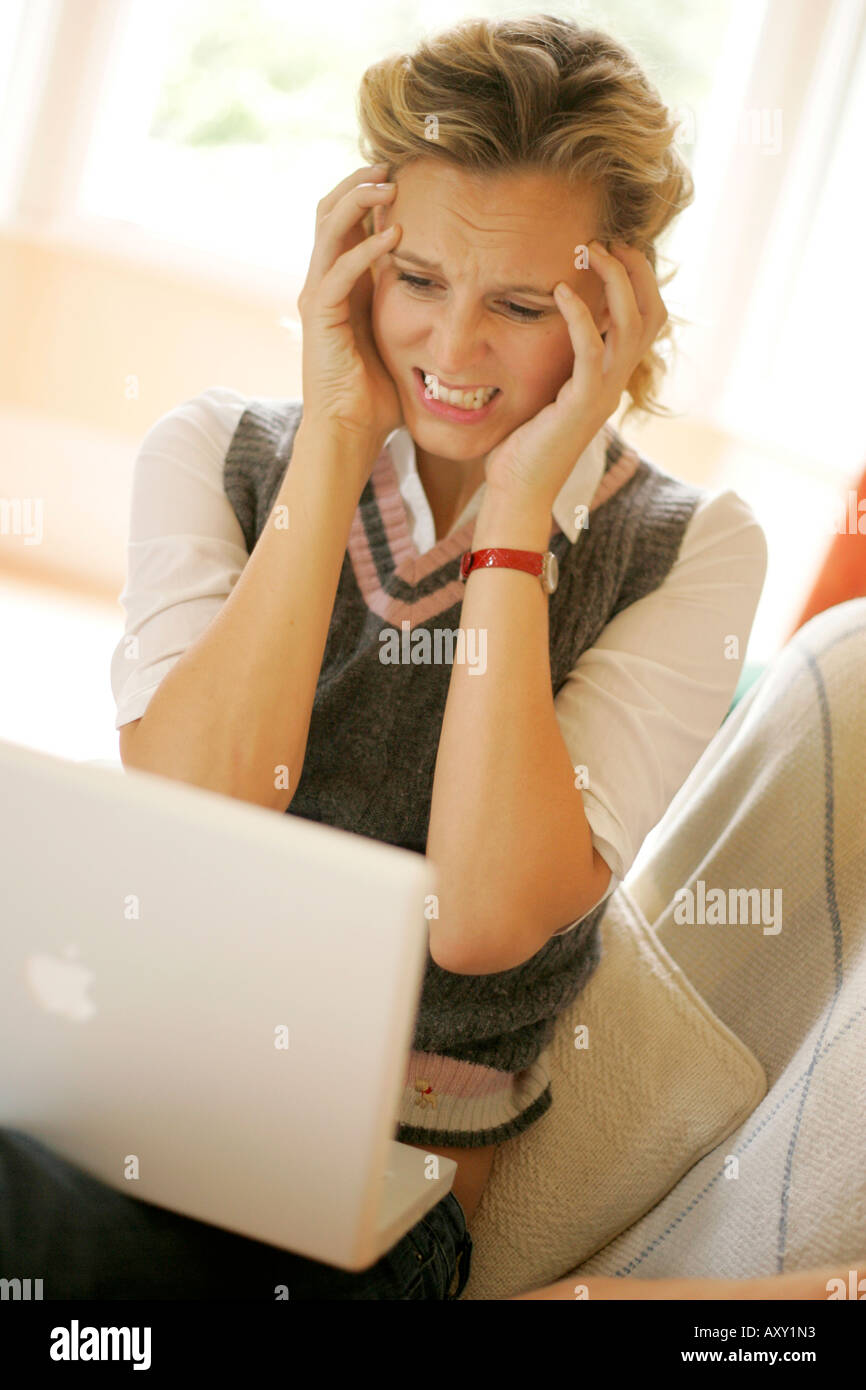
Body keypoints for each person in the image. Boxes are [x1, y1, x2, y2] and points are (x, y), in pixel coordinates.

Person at [0, 14, 856, 1300]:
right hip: (119, 1096)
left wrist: (516, 524)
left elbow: (483, 915)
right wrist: (335, 444)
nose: (452, 353)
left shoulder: (687, 549)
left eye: (519, 305)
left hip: (365, 1222)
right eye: (416, 282)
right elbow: (205, 800)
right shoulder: (215, 452)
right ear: (353, 260)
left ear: (615, 310)